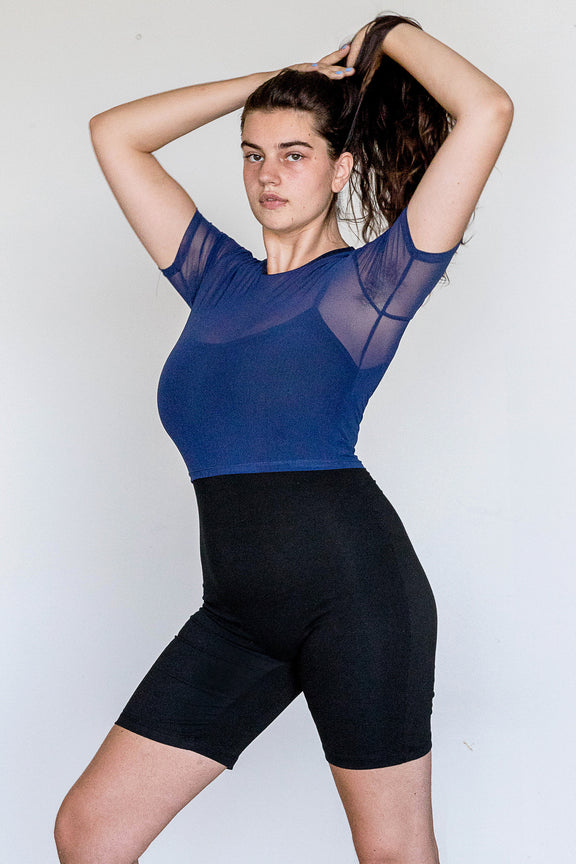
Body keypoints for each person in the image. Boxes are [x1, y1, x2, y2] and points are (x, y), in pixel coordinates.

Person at [54, 12, 513, 864]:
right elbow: (115, 133)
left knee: (394, 852)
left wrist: (383, 36)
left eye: (295, 154)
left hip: (358, 601)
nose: (268, 174)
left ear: (341, 169)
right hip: (237, 613)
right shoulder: (216, 279)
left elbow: (487, 110)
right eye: (252, 153)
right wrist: (277, 79)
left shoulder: (370, 286)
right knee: (91, 831)